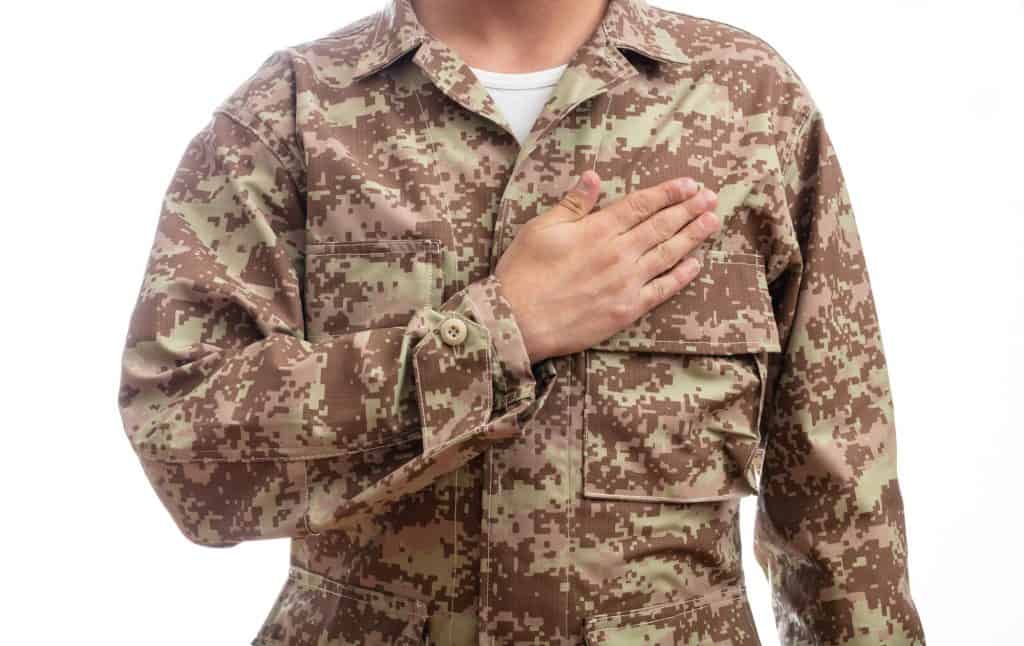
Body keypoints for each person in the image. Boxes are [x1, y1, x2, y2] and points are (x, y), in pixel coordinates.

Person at [115, 0, 927, 643]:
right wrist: (500, 331)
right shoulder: (290, 118)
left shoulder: (752, 107)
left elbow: (839, 499)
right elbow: (185, 442)